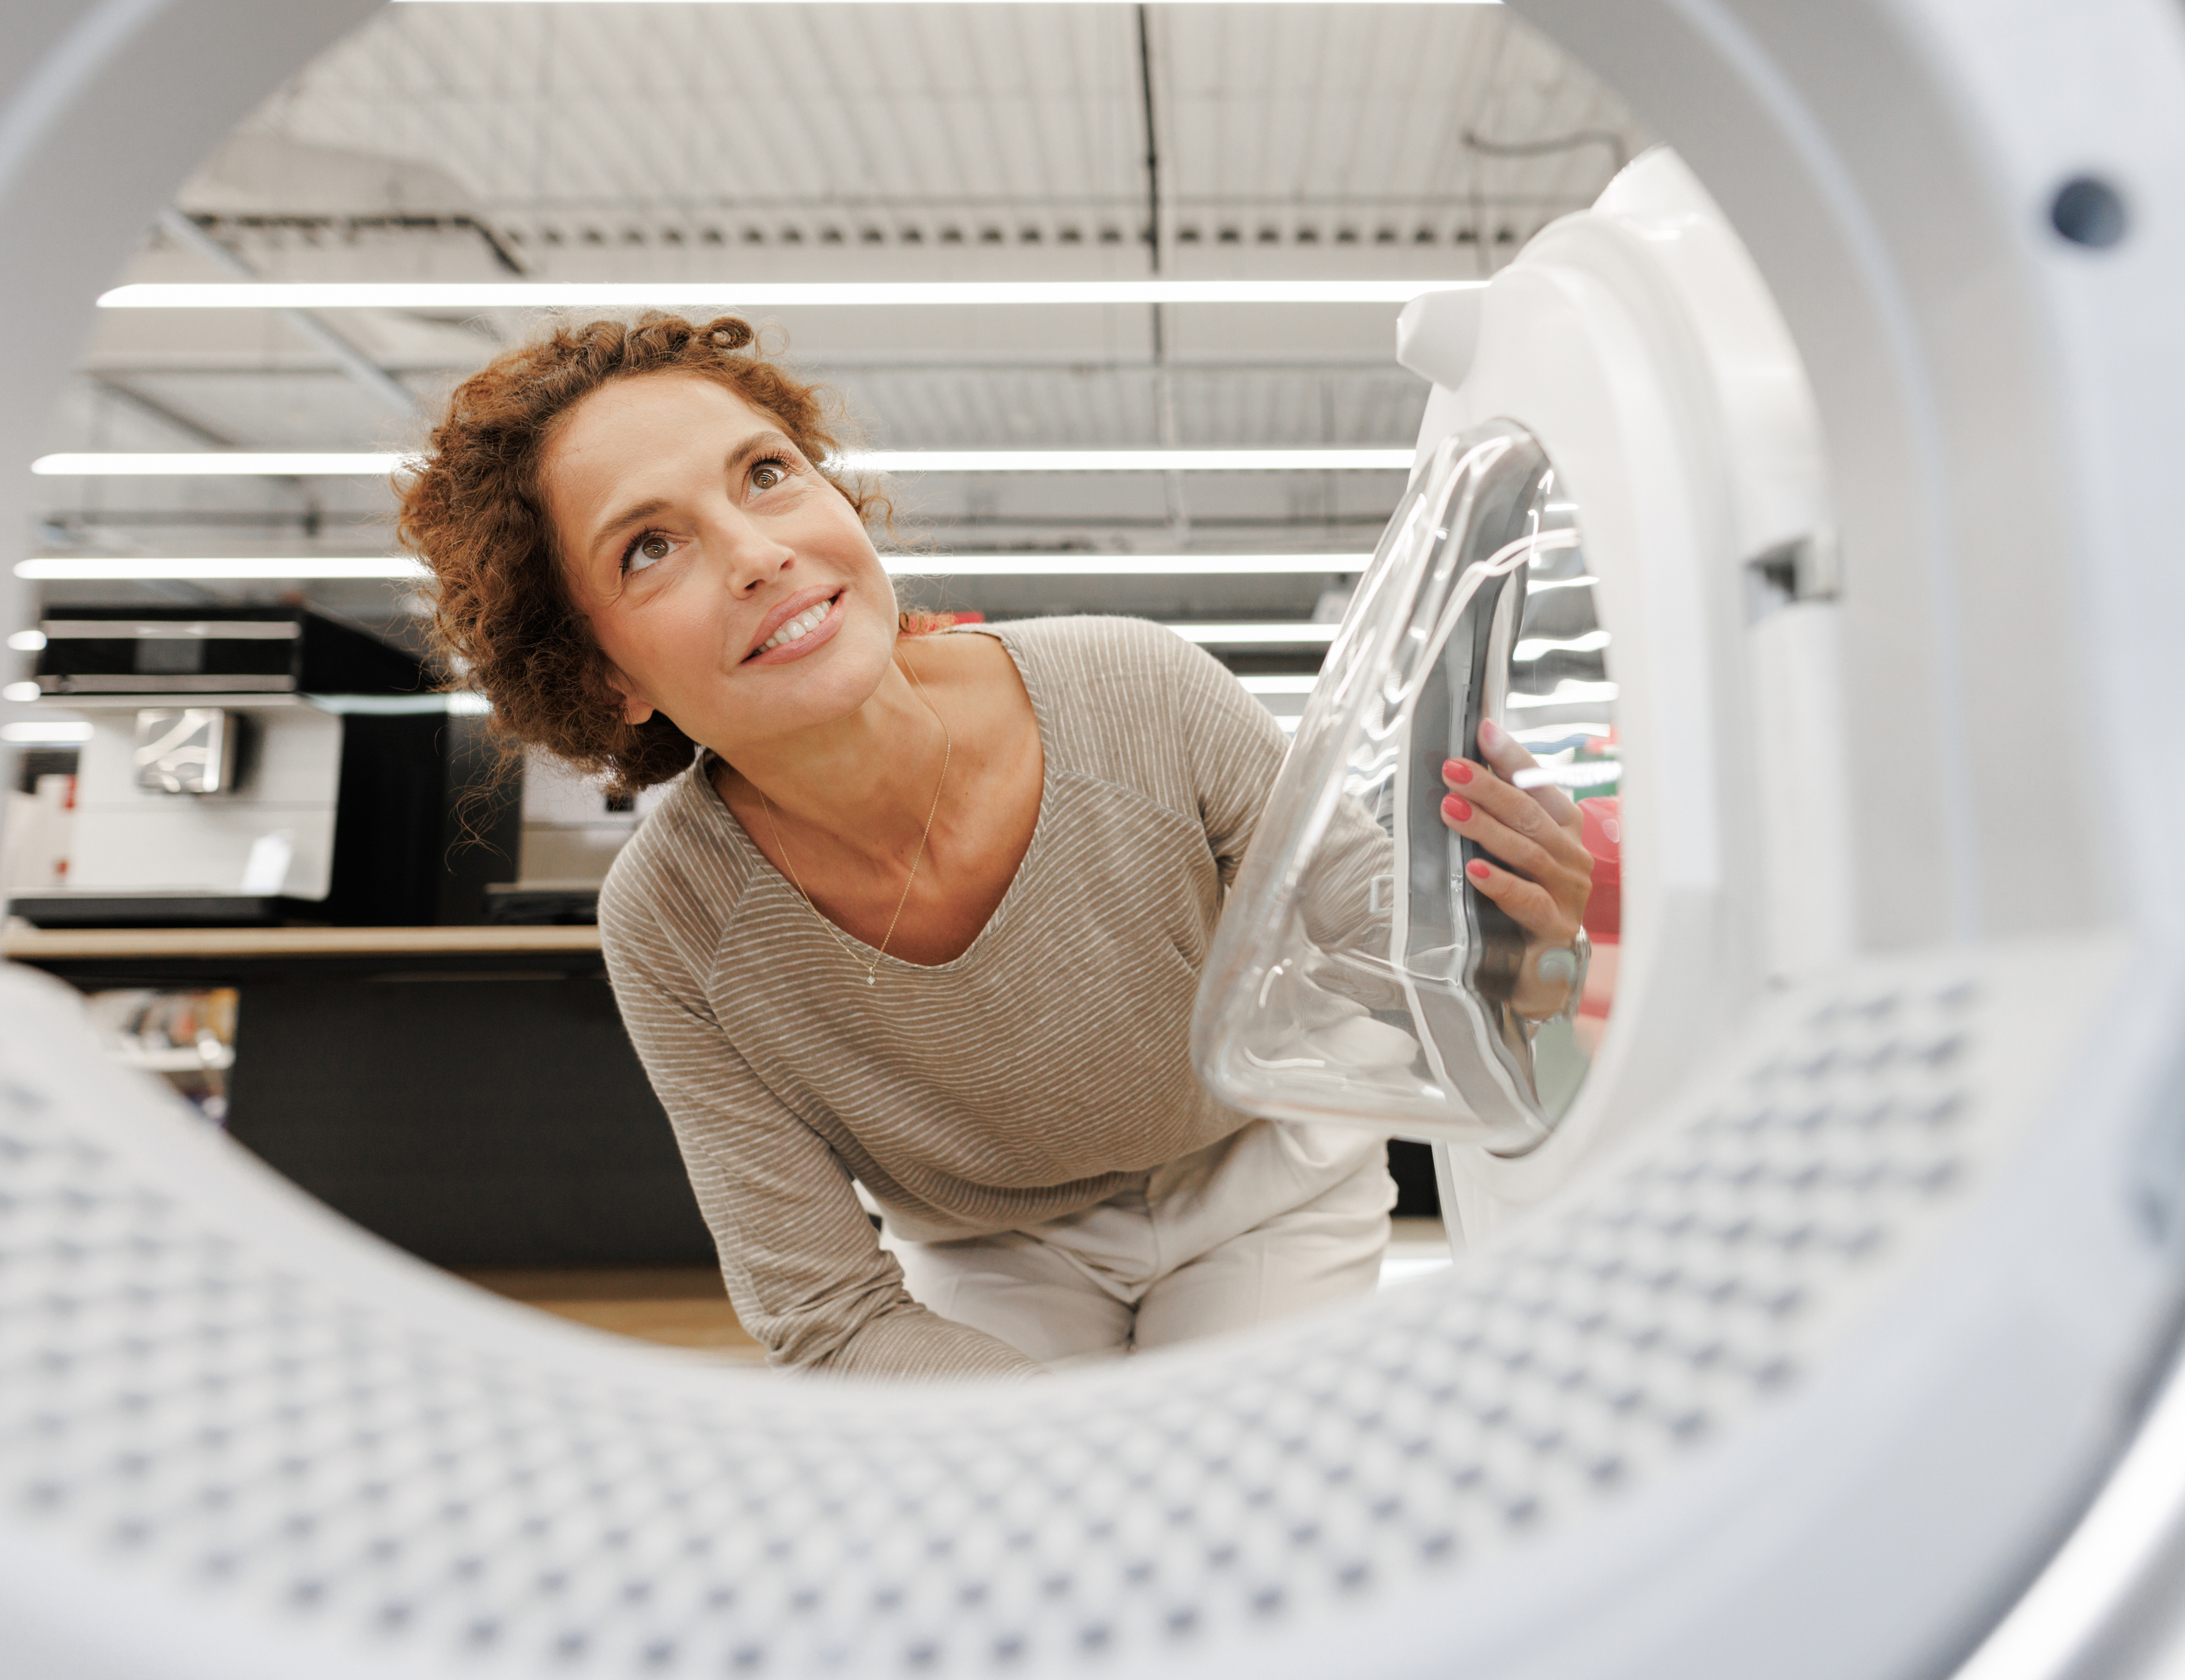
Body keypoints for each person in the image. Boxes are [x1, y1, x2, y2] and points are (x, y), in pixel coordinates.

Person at [398, 314, 1593, 1376]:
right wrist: (1073, 1467)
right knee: (1043, 1548)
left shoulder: (1140, 691)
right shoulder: (672, 925)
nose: (758, 552)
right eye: (647, 546)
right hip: (993, 1241)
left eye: (766, 473)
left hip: (1259, 1174)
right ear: (604, 675)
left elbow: (1410, 967)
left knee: (1239, 1497)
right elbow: (825, 1310)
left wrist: (1519, 941)